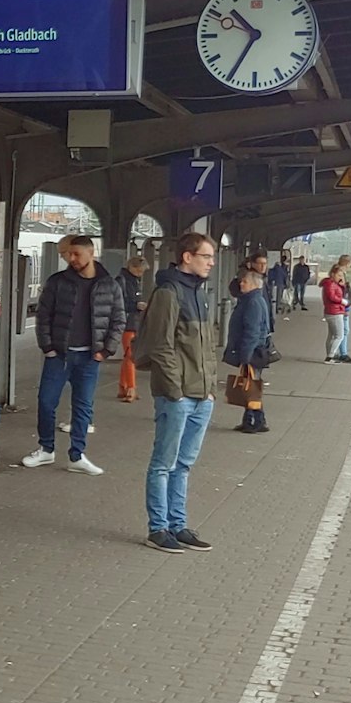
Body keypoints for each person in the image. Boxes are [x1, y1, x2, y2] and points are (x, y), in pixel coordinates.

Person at [133, 231, 219, 554]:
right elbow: (161, 345)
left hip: (201, 395)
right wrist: (176, 391)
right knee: (163, 463)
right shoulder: (169, 293)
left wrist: (211, 389)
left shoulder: (200, 293)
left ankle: (178, 525)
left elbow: (208, 345)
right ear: (187, 257)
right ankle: (158, 528)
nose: (211, 262)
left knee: (183, 464)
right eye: (206, 256)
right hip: (178, 396)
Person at [22, 235, 123, 475]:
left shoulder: (109, 284)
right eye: (69, 254)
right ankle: (46, 449)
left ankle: (77, 455)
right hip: (59, 355)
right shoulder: (58, 282)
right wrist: (47, 347)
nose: (71, 259)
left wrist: (106, 350)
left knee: (83, 407)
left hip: (89, 357)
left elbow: (118, 320)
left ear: (91, 252)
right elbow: (43, 315)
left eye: (76, 254)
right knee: (46, 402)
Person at [226, 268, 274, 433]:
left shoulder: (252, 302)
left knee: (251, 386)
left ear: (253, 284)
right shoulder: (252, 299)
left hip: (252, 351)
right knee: (251, 386)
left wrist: (245, 356)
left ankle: (255, 421)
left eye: (244, 281)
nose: (241, 283)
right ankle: (253, 420)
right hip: (254, 350)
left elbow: (252, 331)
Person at [115, 256, 146, 403]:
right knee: (130, 356)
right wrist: (136, 305)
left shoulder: (133, 280)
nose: (141, 274)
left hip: (133, 322)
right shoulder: (122, 281)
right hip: (127, 322)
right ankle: (131, 389)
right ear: (131, 267)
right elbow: (119, 303)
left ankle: (123, 387)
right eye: (139, 270)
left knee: (128, 355)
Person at [322, 260, 351, 363]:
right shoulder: (331, 284)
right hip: (335, 312)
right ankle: (330, 356)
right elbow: (332, 296)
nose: (340, 277)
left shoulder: (331, 283)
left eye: (341, 275)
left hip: (332, 311)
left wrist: (341, 285)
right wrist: (342, 301)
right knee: (339, 335)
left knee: (331, 335)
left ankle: (330, 355)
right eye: (338, 275)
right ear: (332, 274)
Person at [269, 251, 292, 316]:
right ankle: (276, 309)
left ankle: (274, 308)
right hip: (280, 284)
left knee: (273, 297)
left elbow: (270, 276)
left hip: (274, 284)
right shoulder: (281, 268)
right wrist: (287, 284)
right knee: (278, 297)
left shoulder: (273, 269)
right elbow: (285, 276)